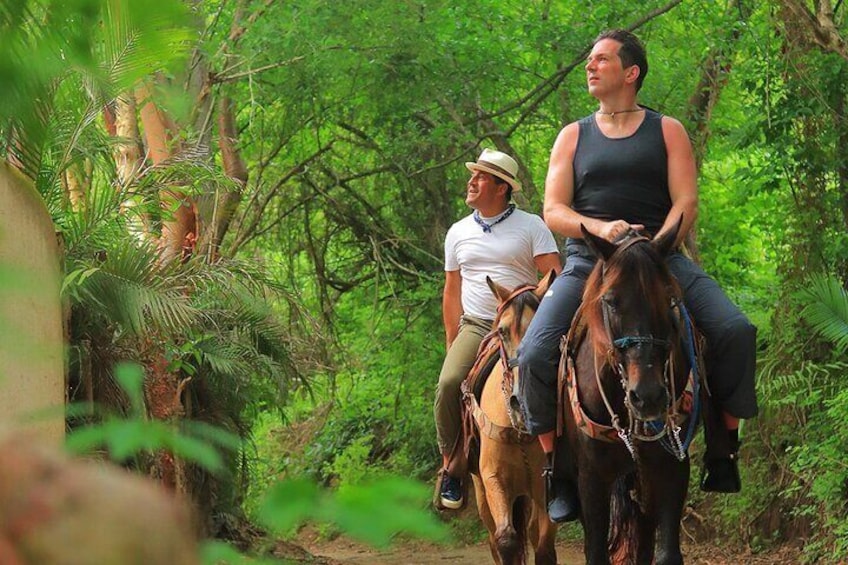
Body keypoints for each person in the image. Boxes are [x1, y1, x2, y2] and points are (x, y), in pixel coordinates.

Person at [516, 29, 758, 523]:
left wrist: (658, 245)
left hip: (658, 261)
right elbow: (554, 209)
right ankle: (557, 470)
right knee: (535, 351)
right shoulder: (573, 135)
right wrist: (600, 227)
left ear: (631, 73)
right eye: (589, 60)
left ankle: (722, 449)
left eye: (601, 60)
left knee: (736, 330)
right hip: (591, 262)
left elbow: (686, 203)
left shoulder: (667, 130)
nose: (590, 66)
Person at [434, 148, 561, 509]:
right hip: (477, 324)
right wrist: (452, 339)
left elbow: (554, 277)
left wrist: (546, 321)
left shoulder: (532, 226)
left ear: (502, 188)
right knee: (447, 383)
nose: (471, 182)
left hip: (523, 320)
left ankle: (565, 464)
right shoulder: (457, 232)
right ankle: (452, 468)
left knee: (560, 380)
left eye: (481, 177)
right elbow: (451, 290)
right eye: (472, 176)